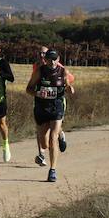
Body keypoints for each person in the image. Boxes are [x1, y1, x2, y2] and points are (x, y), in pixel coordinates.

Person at [27, 50, 73, 182]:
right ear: (45, 60)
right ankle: (61, 134)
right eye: (49, 59)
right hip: (41, 108)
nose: (52, 62)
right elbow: (28, 88)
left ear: (58, 59)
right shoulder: (39, 71)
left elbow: (67, 83)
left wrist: (69, 88)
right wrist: (38, 94)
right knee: (44, 144)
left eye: (54, 59)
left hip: (56, 106)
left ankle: (52, 170)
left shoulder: (62, 71)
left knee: (53, 138)